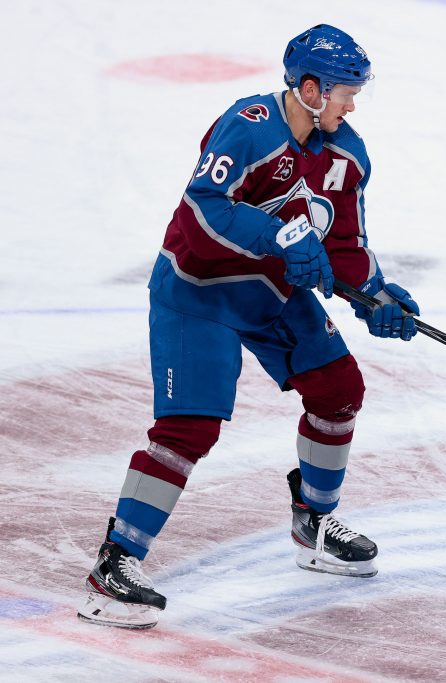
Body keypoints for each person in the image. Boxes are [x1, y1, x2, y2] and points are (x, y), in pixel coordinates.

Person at [78, 24, 418, 630]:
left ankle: (313, 523)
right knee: (190, 426)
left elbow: (342, 243)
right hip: (198, 290)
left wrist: (375, 293)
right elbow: (205, 205)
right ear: (310, 88)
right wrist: (279, 236)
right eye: (344, 91)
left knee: (339, 391)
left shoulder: (347, 154)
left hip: (270, 293)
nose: (352, 103)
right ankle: (114, 566)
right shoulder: (250, 124)